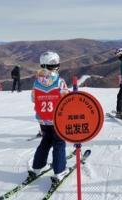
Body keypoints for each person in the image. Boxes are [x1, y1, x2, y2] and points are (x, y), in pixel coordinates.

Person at [28, 51, 69, 182]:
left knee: (45, 141)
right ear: (55, 65)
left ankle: (37, 167)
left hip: (42, 119)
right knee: (59, 143)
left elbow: (34, 99)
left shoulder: (36, 82)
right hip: (57, 119)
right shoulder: (59, 82)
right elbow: (67, 99)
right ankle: (60, 171)